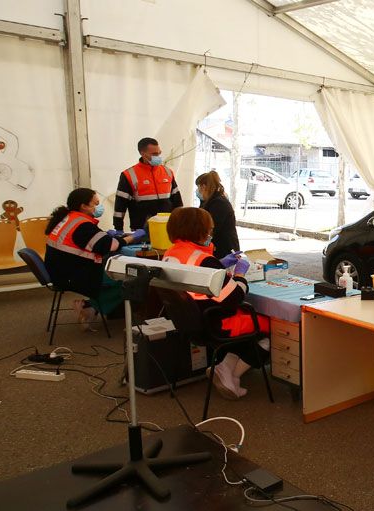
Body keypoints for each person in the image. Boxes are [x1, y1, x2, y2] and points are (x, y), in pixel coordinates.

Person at [161, 207, 266, 400]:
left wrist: (218, 264)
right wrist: (240, 274)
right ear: (199, 231)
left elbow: (194, 274)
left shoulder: (171, 253)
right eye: (209, 229)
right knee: (270, 325)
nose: (211, 233)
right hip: (213, 323)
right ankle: (229, 373)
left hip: (186, 321)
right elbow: (234, 298)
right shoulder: (204, 261)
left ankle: (225, 367)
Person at [44, 188, 145, 328]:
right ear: (83, 206)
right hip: (73, 275)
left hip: (61, 270)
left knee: (119, 270)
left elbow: (90, 241)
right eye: (95, 204)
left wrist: (108, 236)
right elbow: (110, 246)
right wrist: (132, 237)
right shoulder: (83, 225)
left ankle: (91, 306)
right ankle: (90, 306)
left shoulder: (69, 217)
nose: (99, 207)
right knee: (132, 277)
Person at [113, 137, 183, 236]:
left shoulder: (167, 172)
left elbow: (177, 200)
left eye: (159, 153)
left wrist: (180, 222)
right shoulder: (129, 174)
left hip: (167, 227)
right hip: (142, 229)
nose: (158, 156)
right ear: (142, 153)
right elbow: (120, 204)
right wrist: (118, 227)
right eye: (154, 154)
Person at [196, 170, 240, 258]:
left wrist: (202, 243)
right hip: (217, 247)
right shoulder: (209, 201)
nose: (197, 191)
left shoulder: (219, 203)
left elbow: (212, 227)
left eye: (198, 187)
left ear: (203, 187)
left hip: (225, 249)